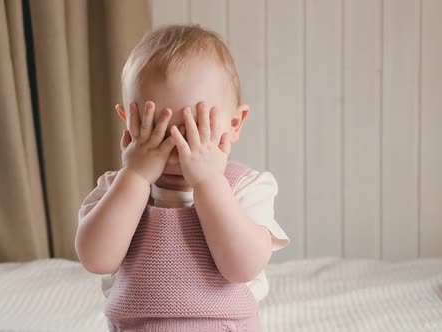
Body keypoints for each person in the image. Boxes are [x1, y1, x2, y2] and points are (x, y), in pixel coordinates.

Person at [75, 24, 290, 332]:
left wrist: (208, 183)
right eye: (156, 131)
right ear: (127, 121)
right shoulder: (117, 188)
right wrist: (135, 176)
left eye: (193, 132)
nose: (176, 149)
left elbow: (242, 267)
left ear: (234, 124)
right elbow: (96, 259)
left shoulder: (246, 187)